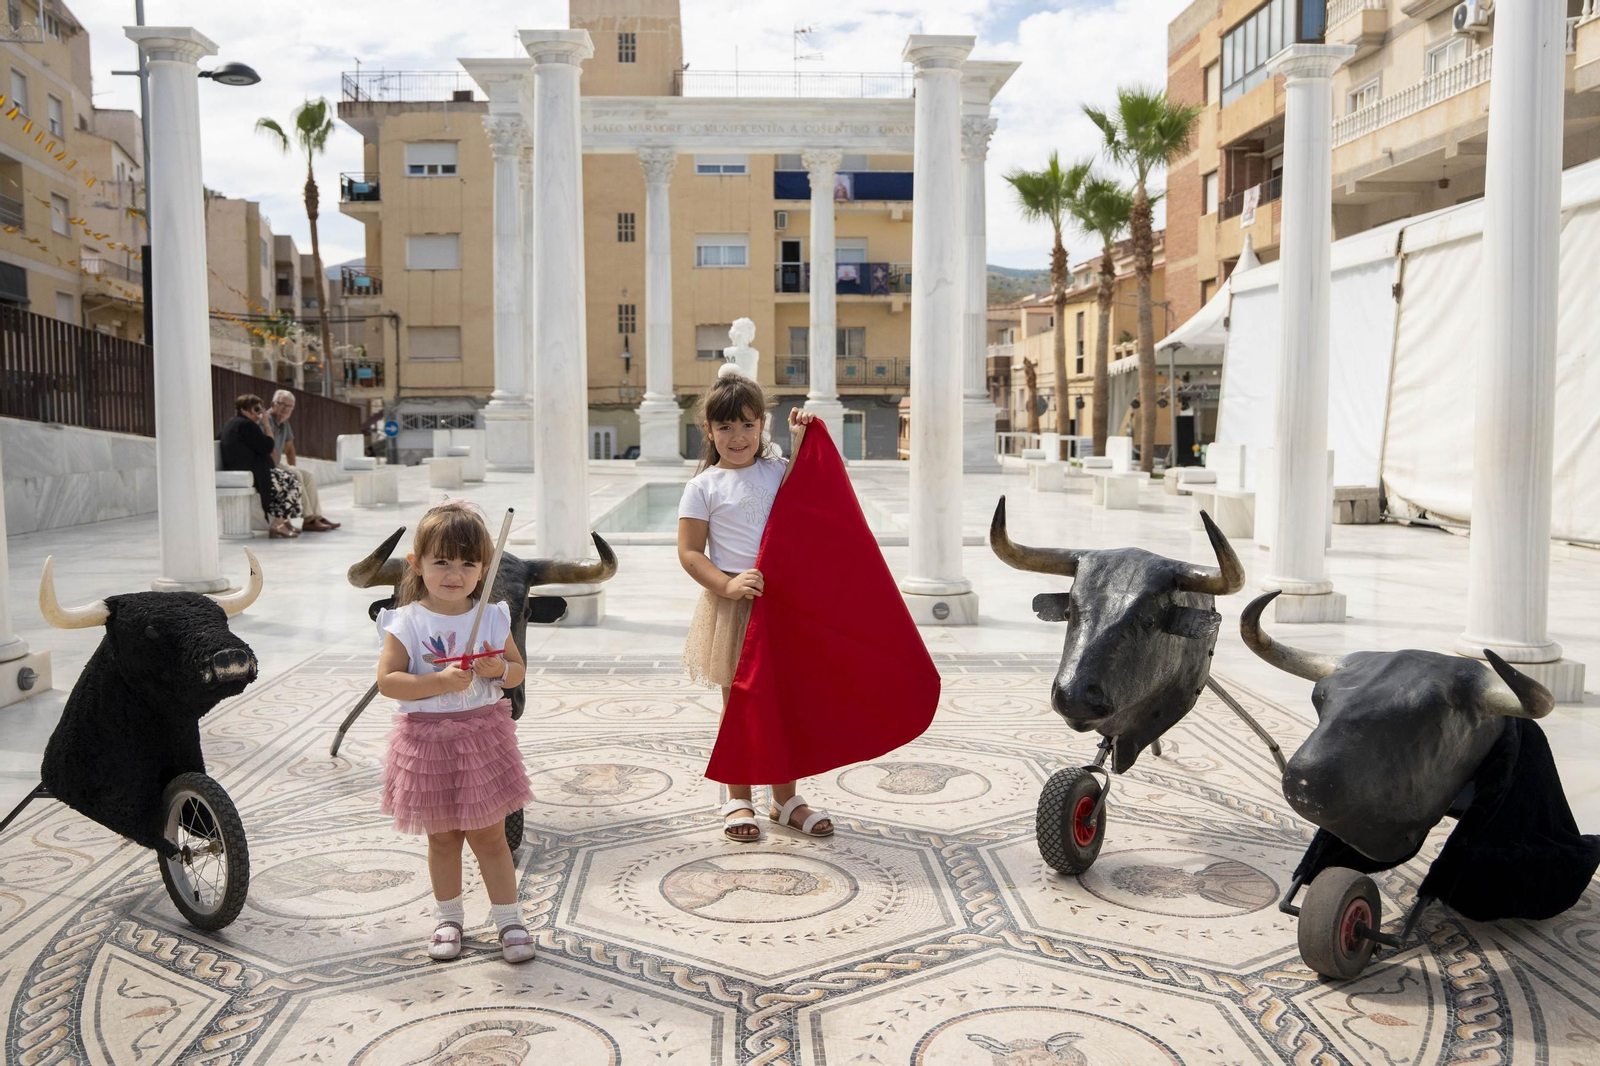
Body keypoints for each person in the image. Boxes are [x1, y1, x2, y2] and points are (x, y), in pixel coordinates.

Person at [375, 501, 534, 964]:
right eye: (442, 561)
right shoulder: (406, 621)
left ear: (484, 568)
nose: (454, 573)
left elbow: (517, 672)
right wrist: (438, 682)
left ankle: (509, 919)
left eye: (468, 563)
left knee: (490, 837)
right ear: (417, 564)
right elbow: (389, 681)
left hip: (482, 737)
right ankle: (449, 918)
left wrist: (499, 668)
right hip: (426, 742)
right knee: (442, 837)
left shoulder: (491, 616)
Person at [677, 371, 833, 842]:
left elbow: (817, 494)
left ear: (762, 425)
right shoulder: (703, 486)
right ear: (708, 430)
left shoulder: (777, 470)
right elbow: (689, 552)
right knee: (739, 706)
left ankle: (785, 800)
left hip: (782, 609)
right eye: (725, 427)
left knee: (784, 704)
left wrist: (805, 436)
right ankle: (737, 796)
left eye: (747, 425)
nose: (737, 437)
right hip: (735, 608)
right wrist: (726, 585)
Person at [219, 393, 303, 539]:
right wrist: (265, 424)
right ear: (245, 409)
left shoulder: (236, 423)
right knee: (291, 480)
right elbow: (268, 446)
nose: (259, 413)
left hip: (245, 468)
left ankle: (280, 522)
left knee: (286, 479)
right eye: (256, 409)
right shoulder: (246, 425)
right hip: (248, 469)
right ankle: (278, 524)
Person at [265, 390, 340, 532]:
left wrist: (292, 467)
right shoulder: (267, 420)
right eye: (282, 404)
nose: (285, 408)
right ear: (272, 404)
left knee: (308, 475)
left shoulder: (284, 422)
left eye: (289, 406)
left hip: (278, 463)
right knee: (295, 475)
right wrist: (292, 471)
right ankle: (308, 518)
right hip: (268, 464)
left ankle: (317, 516)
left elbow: (290, 447)